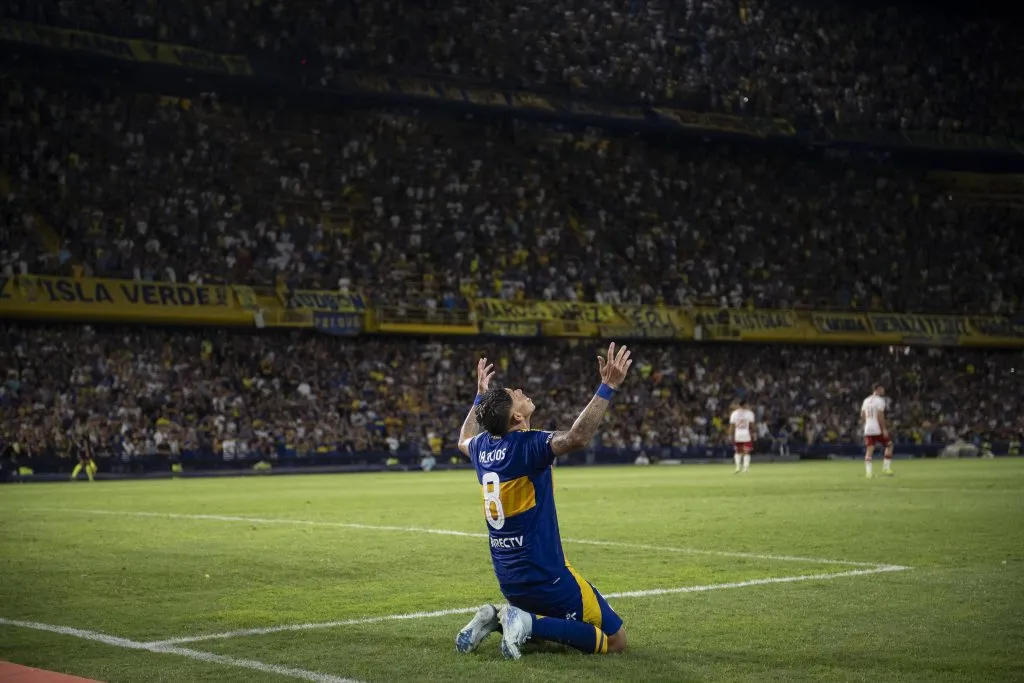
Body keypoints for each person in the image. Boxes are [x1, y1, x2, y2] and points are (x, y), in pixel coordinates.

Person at [454, 343, 633, 659]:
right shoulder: (528, 445)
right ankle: (521, 620)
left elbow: (462, 439)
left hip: (510, 580)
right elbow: (576, 437)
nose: (521, 391)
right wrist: (608, 387)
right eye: (515, 395)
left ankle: (498, 617)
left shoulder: (482, 447)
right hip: (547, 576)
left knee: (543, 636)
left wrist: (480, 397)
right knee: (616, 641)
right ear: (517, 417)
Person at [861, 383, 894, 477]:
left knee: (869, 449)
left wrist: (866, 424)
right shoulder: (880, 401)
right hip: (877, 427)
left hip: (868, 427)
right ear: (878, 389)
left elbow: (862, 415)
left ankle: (869, 473)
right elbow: (880, 415)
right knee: (889, 445)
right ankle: (886, 468)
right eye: (882, 389)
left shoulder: (866, 400)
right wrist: (884, 429)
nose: (883, 391)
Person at [728, 399, 756, 473]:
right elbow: (752, 425)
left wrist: (730, 435)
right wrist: (754, 433)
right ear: (745, 404)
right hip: (746, 433)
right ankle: (745, 468)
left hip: (738, 433)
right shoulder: (749, 413)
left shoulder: (734, 413)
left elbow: (732, 425)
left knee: (738, 451)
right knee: (747, 451)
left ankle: (737, 467)